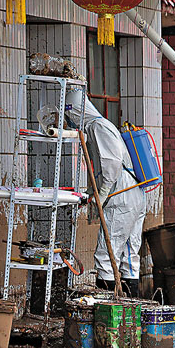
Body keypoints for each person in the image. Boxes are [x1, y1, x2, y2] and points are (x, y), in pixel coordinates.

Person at [63, 88, 146, 298]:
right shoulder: (97, 127)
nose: (68, 121)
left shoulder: (98, 127)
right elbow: (100, 170)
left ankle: (107, 308)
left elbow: (111, 165)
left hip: (122, 196)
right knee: (129, 254)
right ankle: (130, 306)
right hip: (134, 194)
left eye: (68, 116)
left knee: (106, 255)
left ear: (75, 112)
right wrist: (91, 192)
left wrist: (102, 194)